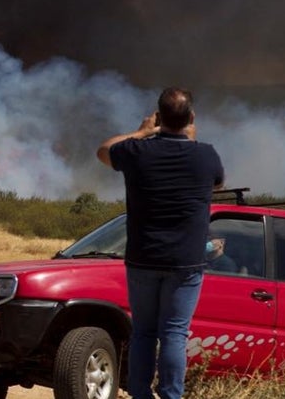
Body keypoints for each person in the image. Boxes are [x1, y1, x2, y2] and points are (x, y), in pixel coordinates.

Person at [96, 87, 224, 399]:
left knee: (143, 332)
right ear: (191, 118)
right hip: (185, 262)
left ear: (158, 117)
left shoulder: (136, 152)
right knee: (174, 334)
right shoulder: (205, 154)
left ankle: (140, 394)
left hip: (142, 257)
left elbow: (103, 150)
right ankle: (171, 396)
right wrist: (190, 143)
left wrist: (140, 133)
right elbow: (218, 181)